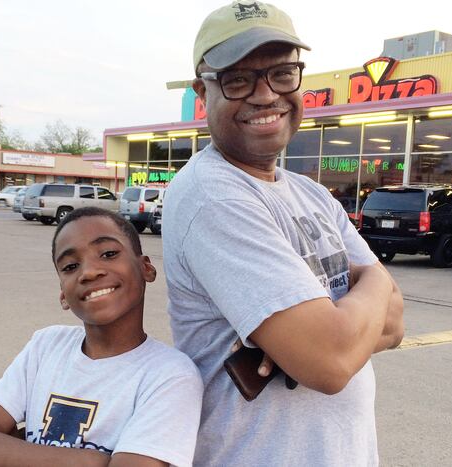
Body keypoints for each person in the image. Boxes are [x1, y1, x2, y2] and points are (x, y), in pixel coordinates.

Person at [163, 2, 405, 466]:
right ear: (203, 92)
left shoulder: (311, 195)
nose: (264, 94)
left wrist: (321, 338)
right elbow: (331, 362)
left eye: (281, 73)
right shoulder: (214, 197)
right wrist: (374, 283)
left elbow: (395, 324)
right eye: (237, 79)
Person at [0, 207, 203, 467]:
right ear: (62, 295)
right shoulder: (46, 346)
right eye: (70, 266)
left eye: (109, 254)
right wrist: (93, 461)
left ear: (146, 268)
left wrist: (10, 451)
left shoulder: (171, 375)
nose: (89, 272)